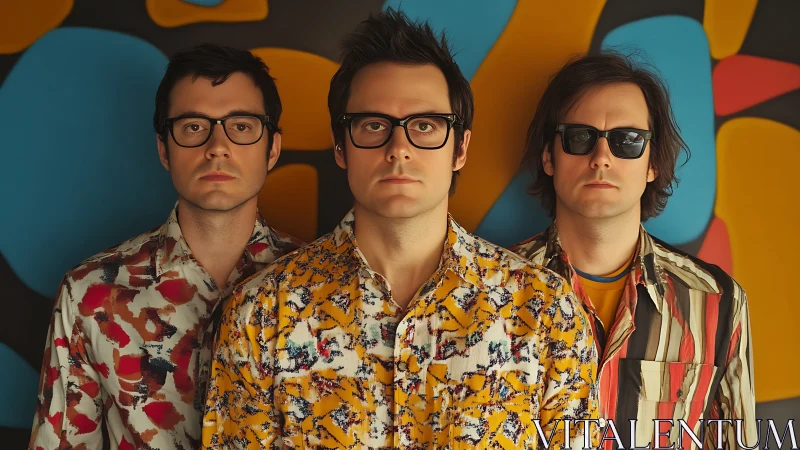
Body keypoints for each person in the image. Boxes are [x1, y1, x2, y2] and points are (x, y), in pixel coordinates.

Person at [202, 10, 599, 450]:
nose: (399, 148)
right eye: (374, 125)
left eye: (425, 126)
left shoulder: (545, 313)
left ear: (460, 147)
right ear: (340, 146)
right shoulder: (260, 316)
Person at [29, 44, 303, 449]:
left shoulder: (319, 288)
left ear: (273, 148)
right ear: (164, 149)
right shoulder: (90, 294)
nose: (217, 146)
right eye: (193, 126)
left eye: (241, 126)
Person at [510, 53, 756, 449]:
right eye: (579, 136)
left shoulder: (717, 302)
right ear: (548, 156)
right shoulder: (490, 290)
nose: (601, 157)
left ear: (652, 163)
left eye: (628, 141)